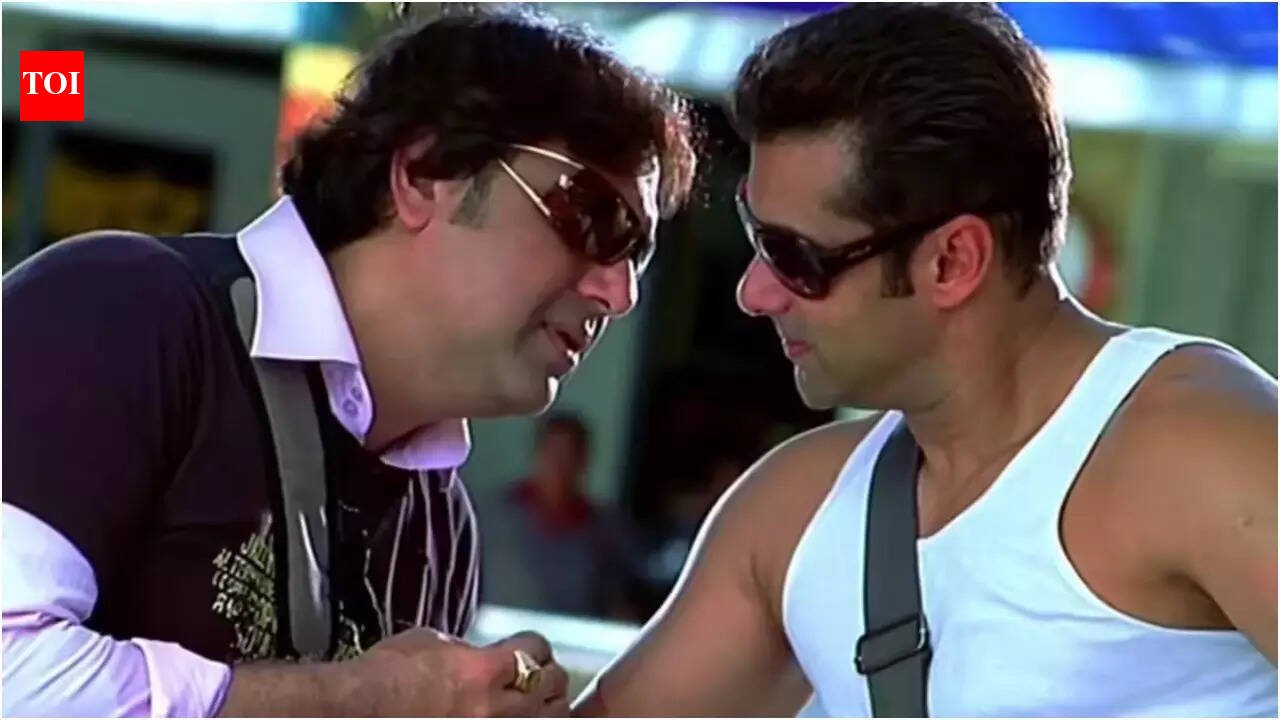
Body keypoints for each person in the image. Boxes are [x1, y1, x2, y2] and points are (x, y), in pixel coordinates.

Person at [574, 3, 1276, 717]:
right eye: (757, 237)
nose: (754, 293)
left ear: (952, 261)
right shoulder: (793, 513)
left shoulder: (1202, 449)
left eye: (795, 256)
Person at [2, 8, 694, 717]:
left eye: (638, 255)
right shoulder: (124, 310)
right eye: (594, 218)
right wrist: (370, 698)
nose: (620, 293)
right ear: (424, 174)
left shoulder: (441, 528)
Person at [478, 414, 630, 618]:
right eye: (553, 454)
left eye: (569, 456)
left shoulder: (604, 529)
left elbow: (617, 599)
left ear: (583, 462)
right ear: (537, 454)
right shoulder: (493, 513)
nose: (559, 466)